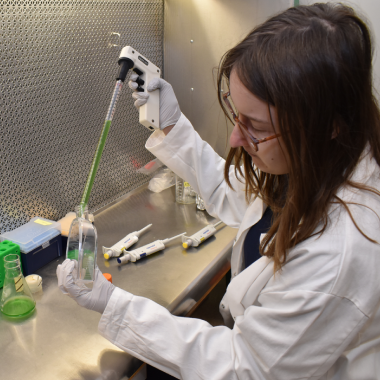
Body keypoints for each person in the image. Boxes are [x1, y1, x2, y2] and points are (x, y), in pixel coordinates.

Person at [57, 3, 380, 379]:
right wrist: (171, 125)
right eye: (235, 112)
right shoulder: (317, 160)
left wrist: (113, 304)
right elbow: (238, 196)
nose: (235, 138)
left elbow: (246, 368)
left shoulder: (342, 248)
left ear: (328, 126)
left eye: (255, 125)